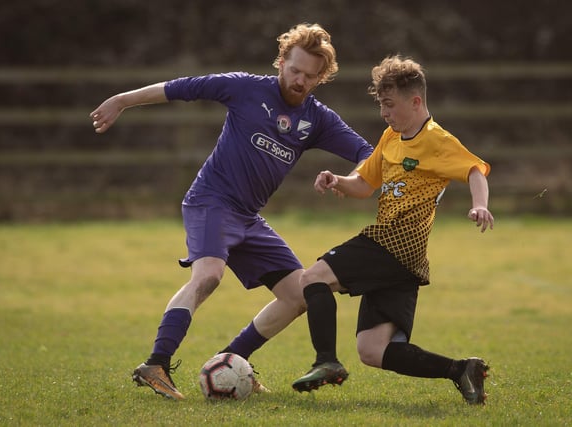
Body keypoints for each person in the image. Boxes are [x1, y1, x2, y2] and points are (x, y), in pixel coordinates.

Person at [90, 23, 373, 400]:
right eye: (294, 71)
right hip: (211, 200)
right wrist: (122, 100)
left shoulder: (318, 119)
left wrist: (345, 179)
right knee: (208, 276)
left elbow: (368, 155)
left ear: (321, 77)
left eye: (310, 76)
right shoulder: (245, 88)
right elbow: (182, 87)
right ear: (281, 62)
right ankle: (155, 364)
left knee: (300, 294)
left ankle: (233, 361)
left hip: (249, 218)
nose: (300, 81)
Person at [291, 55, 494, 405]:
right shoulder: (390, 137)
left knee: (312, 279)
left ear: (415, 102)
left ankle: (326, 361)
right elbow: (364, 184)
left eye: (390, 105)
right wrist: (337, 179)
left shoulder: (437, 139)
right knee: (373, 350)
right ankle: (461, 370)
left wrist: (480, 204)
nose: (384, 113)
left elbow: (475, 169)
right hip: (404, 259)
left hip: (392, 242)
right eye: (381, 105)